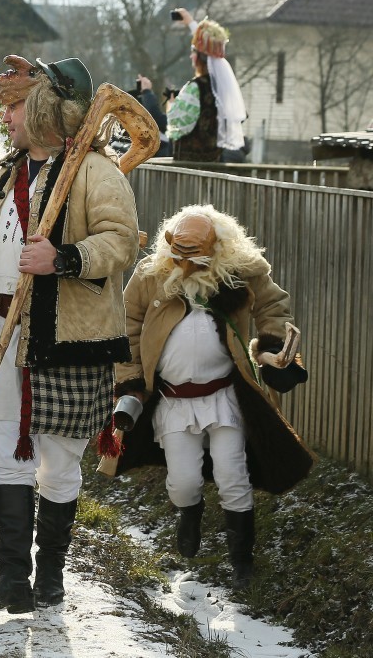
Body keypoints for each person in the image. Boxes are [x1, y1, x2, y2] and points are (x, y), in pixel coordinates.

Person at [0, 54, 140, 613]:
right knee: (6, 455)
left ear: (45, 109)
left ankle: (50, 580)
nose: (5, 117)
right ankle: (12, 581)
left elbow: (121, 241)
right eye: (5, 107)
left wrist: (64, 257)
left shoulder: (94, 172)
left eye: (14, 106)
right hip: (2, 328)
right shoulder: (8, 172)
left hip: (68, 336)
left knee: (59, 461)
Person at [102, 204, 312, 589]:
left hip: (225, 397)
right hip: (172, 400)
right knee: (182, 482)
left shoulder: (242, 273)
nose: (184, 261)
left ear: (219, 247)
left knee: (234, 475)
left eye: (194, 252)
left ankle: (242, 562)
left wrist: (272, 347)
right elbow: (126, 324)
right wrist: (130, 380)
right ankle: (190, 512)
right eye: (178, 251)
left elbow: (273, 306)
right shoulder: (151, 276)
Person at [167, 10, 247, 162]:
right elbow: (208, 47)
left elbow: (176, 124)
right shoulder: (223, 90)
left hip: (189, 170)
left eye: (193, 51)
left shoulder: (194, 88)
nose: (191, 55)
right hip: (214, 168)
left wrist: (171, 105)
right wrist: (191, 23)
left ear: (199, 57)